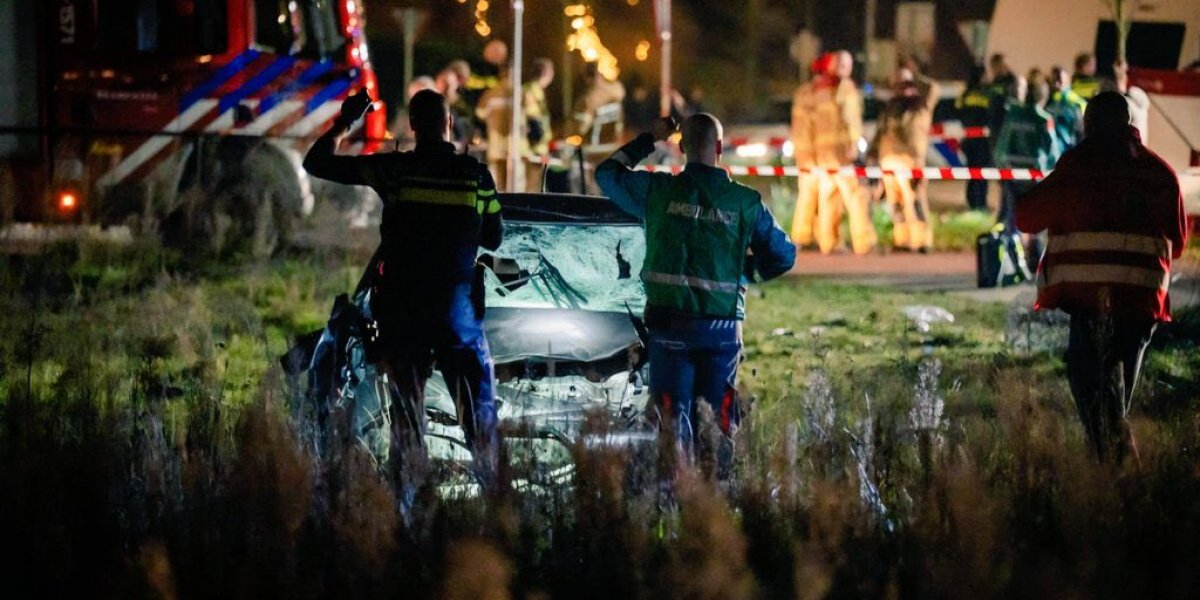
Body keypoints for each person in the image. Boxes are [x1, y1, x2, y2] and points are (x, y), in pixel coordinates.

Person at [303, 89, 504, 485]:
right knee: (479, 422)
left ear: (412, 126)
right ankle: (498, 509)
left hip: (403, 312)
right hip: (457, 314)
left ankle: (407, 510)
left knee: (407, 419)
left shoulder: (393, 171)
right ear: (449, 124)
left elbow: (317, 162)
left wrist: (346, 121)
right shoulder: (476, 176)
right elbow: (495, 238)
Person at [594, 113, 796, 455]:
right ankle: (714, 497)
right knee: (716, 425)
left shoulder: (658, 191)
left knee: (672, 423)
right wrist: (743, 272)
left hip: (669, 328)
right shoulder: (745, 202)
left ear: (683, 147)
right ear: (719, 147)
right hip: (721, 331)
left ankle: (672, 496)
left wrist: (650, 137)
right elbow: (783, 255)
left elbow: (607, 175)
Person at [1015, 91, 1187, 464]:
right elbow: (1179, 241)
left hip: (1090, 303)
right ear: (1129, 124)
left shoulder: (1077, 166)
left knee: (1095, 397)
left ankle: (1123, 483)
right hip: (1142, 307)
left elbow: (1027, 217)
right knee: (1114, 403)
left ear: (1089, 125)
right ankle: (1117, 491)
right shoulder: (1159, 172)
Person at [789, 50, 874, 254]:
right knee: (856, 194)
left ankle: (829, 242)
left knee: (828, 197)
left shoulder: (815, 91)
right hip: (841, 152)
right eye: (844, 64)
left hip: (819, 154)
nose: (847, 69)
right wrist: (854, 142)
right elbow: (851, 118)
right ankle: (865, 242)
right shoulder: (844, 88)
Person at [870, 68, 939, 252]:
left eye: (906, 84)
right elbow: (880, 131)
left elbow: (933, 88)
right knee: (896, 204)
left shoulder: (921, 105)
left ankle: (922, 241)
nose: (902, 89)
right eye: (899, 85)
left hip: (911, 161)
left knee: (915, 201)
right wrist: (872, 152)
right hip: (888, 160)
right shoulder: (890, 107)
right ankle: (902, 241)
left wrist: (915, 74)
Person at [993, 73, 1062, 233]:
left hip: (1012, 174)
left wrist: (1001, 166)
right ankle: (1034, 254)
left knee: (1012, 216)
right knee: (1037, 221)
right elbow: (1053, 152)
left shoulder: (1013, 114)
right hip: (1035, 177)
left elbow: (1002, 144)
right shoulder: (1044, 120)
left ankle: (1012, 251)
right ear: (1043, 98)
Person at [956, 63, 994, 211]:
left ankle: (972, 203)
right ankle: (981, 204)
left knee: (972, 172)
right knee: (982, 173)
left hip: (969, 139)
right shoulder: (987, 93)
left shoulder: (965, 94)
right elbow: (992, 114)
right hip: (983, 140)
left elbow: (958, 112)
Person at [475, 67, 513, 190]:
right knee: (513, 184)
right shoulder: (518, 93)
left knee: (495, 183)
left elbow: (480, 112)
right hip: (513, 145)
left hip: (495, 144)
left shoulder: (491, 93)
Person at [522, 58, 555, 192]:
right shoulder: (533, 90)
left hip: (536, 147)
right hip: (535, 148)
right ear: (547, 73)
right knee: (533, 187)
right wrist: (539, 139)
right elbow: (533, 119)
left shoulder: (530, 89)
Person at [1045, 65, 1087, 150]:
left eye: (1060, 80)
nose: (1057, 84)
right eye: (1055, 80)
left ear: (1068, 81)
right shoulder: (1048, 99)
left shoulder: (1066, 100)